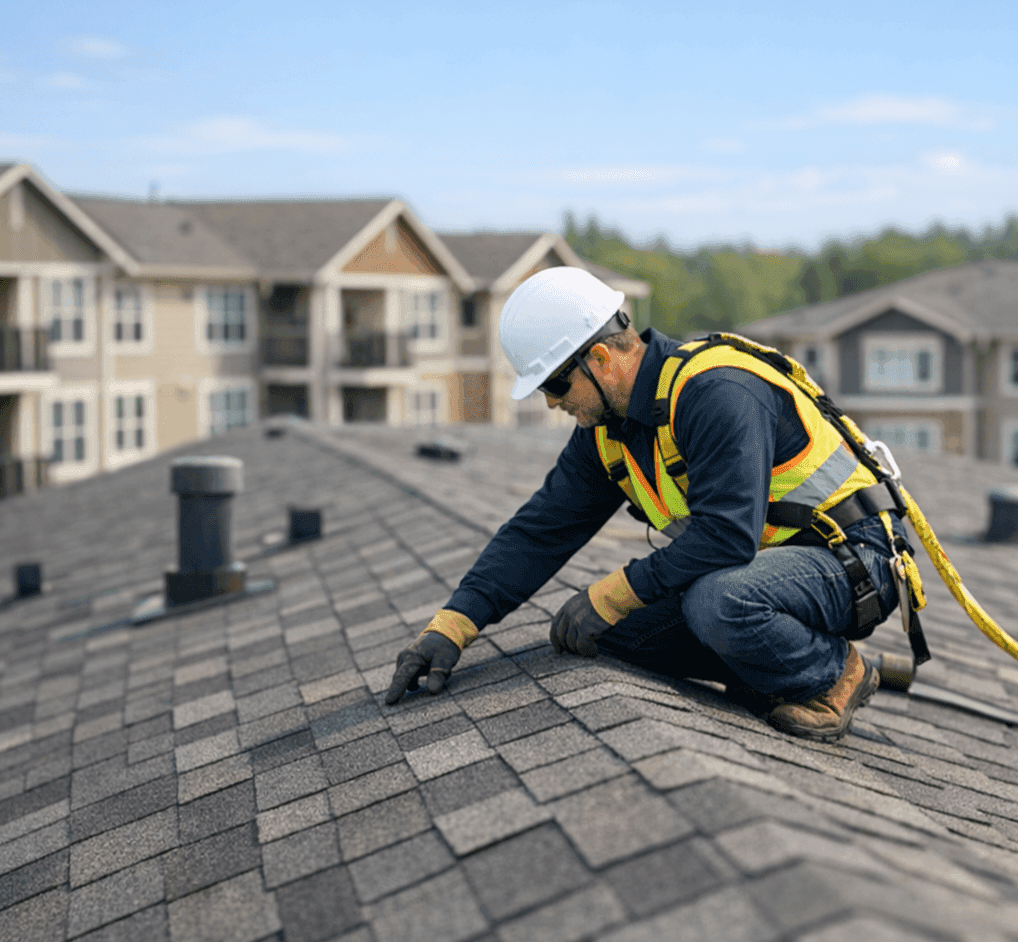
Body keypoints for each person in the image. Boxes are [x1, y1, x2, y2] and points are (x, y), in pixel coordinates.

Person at [384, 267, 910, 741]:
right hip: (761, 574)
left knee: (717, 602)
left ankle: (834, 672)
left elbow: (727, 536)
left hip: (853, 562)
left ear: (600, 359)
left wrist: (618, 589)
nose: (550, 402)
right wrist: (453, 624)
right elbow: (540, 531)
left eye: (555, 383)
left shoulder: (715, 393)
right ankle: (771, 668)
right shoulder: (608, 432)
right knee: (592, 632)